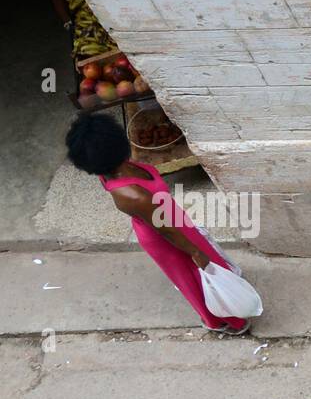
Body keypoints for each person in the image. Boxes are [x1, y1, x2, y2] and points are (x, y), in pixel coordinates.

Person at [65, 114, 251, 335]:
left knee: (202, 271)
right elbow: (165, 230)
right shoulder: (132, 195)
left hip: (170, 219)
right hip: (165, 235)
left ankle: (224, 305)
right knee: (195, 274)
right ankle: (222, 320)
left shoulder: (120, 168)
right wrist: (195, 251)